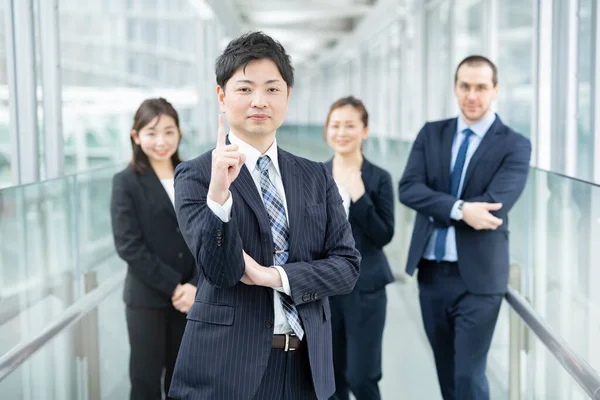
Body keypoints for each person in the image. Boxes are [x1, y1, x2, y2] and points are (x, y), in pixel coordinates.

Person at [168, 32, 361, 400]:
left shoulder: (314, 175)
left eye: (272, 89)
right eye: (245, 89)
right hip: (229, 369)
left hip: (306, 368)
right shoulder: (197, 175)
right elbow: (219, 271)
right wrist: (219, 199)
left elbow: (348, 267)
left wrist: (275, 276)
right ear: (222, 97)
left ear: (287, 95)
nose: (259, 101)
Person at [398, 55, 531, 400]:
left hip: (480, 280)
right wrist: (459, 209)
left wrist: (443, 205)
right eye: (465, 86)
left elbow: (495, 206)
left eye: (481, 87)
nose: (473, 95)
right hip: (432, 274)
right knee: (447, 374)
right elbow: (409, 188)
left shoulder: (514, 144)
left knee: (469, 376)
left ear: (495, 90)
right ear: (456, 88)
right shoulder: (432, 133)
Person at [110, 98, 197, 400]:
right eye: (151, 132)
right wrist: (175, 286)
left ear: (179, 133)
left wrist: (196, 285)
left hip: (191, 298)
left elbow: (211, 234)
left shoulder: (194, 176)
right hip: (147, 298)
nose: (161, 141)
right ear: (136, 136)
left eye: (169, 131)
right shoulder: (126, 182)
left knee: (183, 380)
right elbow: (128, 245)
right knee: (145, 382)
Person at [322, 96, 394, 400]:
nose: (342, 132)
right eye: (335, 125)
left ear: (364, 131)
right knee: (331, 379)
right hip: (325, 289)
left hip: (366, 289)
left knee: (362, 376)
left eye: (350, 125)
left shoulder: (379, 178)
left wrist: (360, 197)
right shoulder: (315, 175)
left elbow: (384, 235)